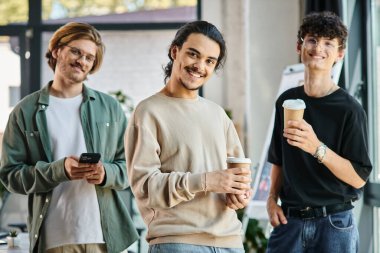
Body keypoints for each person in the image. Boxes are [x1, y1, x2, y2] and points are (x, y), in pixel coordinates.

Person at [0, 22, 138, 253]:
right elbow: (10, 176)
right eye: (76, 51)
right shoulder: (25, 111)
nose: (82, 61)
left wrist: (106, 173)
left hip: (105, 239)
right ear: (56, 50)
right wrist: (59, 170)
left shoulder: (110, 108)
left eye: (89, 57)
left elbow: (131, 167)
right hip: (55, 239)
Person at [125, 20, 252, 253]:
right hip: (177, 242)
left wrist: (239, 195)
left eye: (210, 61)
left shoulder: (218, 114)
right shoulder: (148, 112)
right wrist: (205, 181)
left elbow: (237, 177)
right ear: (175, 52)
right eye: (193, 54)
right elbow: (145, 187)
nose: (200, 66)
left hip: (230, 243)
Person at [266, 11, 372, 253]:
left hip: (334, 224)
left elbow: (358, 177)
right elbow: (278, 159)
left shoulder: (350, 109)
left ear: (339, 54)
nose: (318, 48)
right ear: (299, 46)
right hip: (289, 222)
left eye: (328, 43)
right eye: (312, 39)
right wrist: (272, 200)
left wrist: (316, 147)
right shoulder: (286, 100)